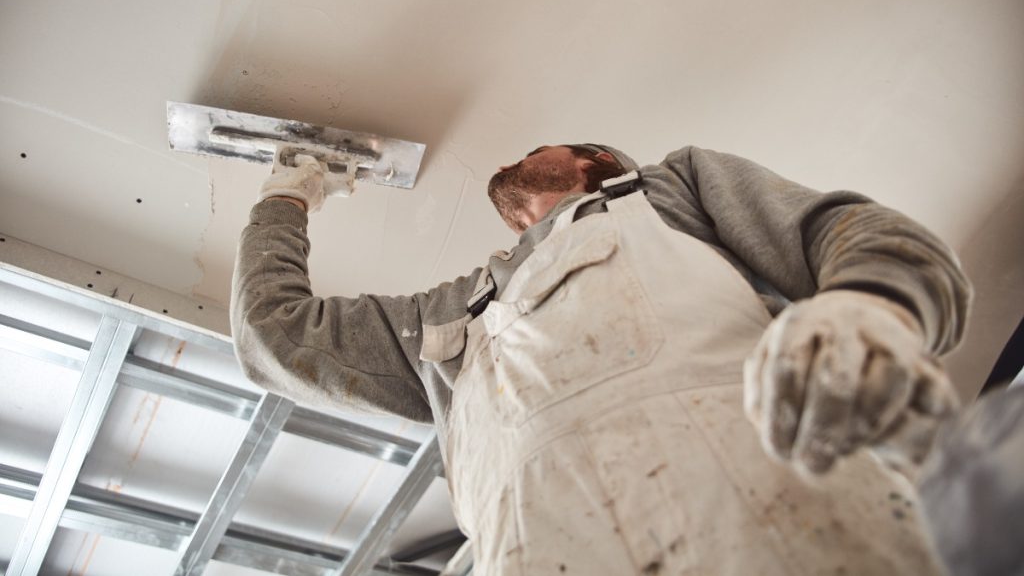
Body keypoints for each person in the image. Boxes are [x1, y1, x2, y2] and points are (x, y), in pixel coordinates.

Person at [232, 143, 971, 574]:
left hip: (780, 533)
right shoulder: (446, 316)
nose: (519, 159)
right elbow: (278, 339)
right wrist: (286, 193)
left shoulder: (669, 190)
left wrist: (872, 305)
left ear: (594, 161)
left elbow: (849, 230)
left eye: (537, 148)